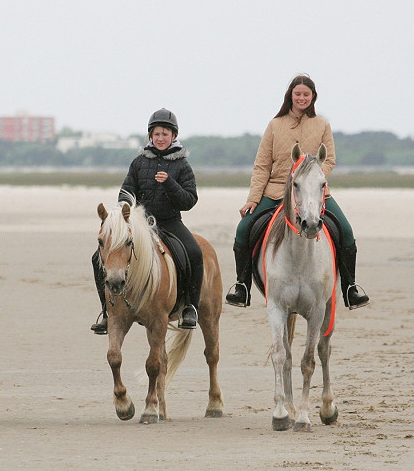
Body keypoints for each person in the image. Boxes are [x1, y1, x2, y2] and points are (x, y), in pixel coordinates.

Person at [225, 74, 370, 309]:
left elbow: (329, 160)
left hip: (312, 192)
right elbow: (262, 165)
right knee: (243, 229)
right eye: (298, 94)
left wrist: (312, 182)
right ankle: (242, 286)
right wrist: (253, 198)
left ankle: (350, 288)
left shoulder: (322, 125)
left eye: (306, 94)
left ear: (313, 97)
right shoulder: (275, 125)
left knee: (345, 230)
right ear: (290, 96)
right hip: (275, 192)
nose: (302, 98)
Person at [91, 108, 203, 334]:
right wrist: (126, 212)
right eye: (157, 134)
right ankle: (107, 310)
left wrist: (170, 183)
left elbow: (190, 200)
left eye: (166, 134)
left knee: (194, 252)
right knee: (96, 258)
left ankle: (190, 306)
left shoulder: (182, 165)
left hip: (170, 222)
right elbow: (126, 192)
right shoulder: (139, 162)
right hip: (140, 224)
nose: (161, 138)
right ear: (150, 136)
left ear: (174, 136)